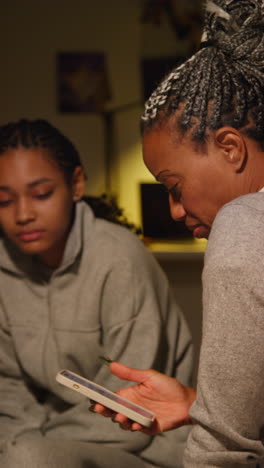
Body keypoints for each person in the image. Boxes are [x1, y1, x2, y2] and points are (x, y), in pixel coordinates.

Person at [94, 0, 264, 467]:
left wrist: (214, 428)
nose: (173, 209)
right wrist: (198, 405)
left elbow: (222, 456)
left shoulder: (246, 224)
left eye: (174, 186)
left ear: (230, 147)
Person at [0, 118, 193, 468]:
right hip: (45, 442)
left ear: (76, 184)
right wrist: (16, 442)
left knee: (27, 458)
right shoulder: (4, 268)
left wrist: (29, 446)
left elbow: (128, 405)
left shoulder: (120, 259)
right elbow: (8, 387)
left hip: (148, 446)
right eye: (3, 201)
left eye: (41, 194)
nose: (23, 214)